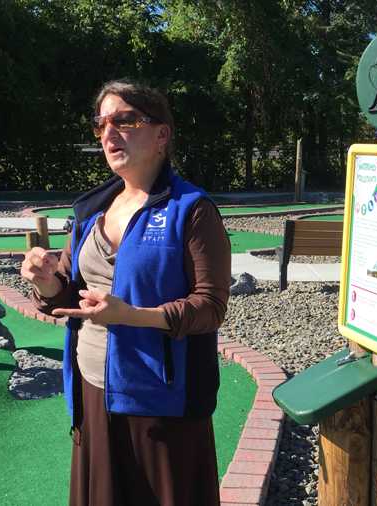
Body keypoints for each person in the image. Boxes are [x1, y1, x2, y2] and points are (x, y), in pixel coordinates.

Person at [20, 80, 230, 506]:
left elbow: (210, 307)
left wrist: (132, 315)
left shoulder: (191, 210)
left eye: (125, 120)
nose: (110, 133)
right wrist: (45, 283)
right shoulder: (91, 209)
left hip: (162, 402)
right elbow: (67, 294)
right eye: (102, 124)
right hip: (93, 391)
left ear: (161, 134)